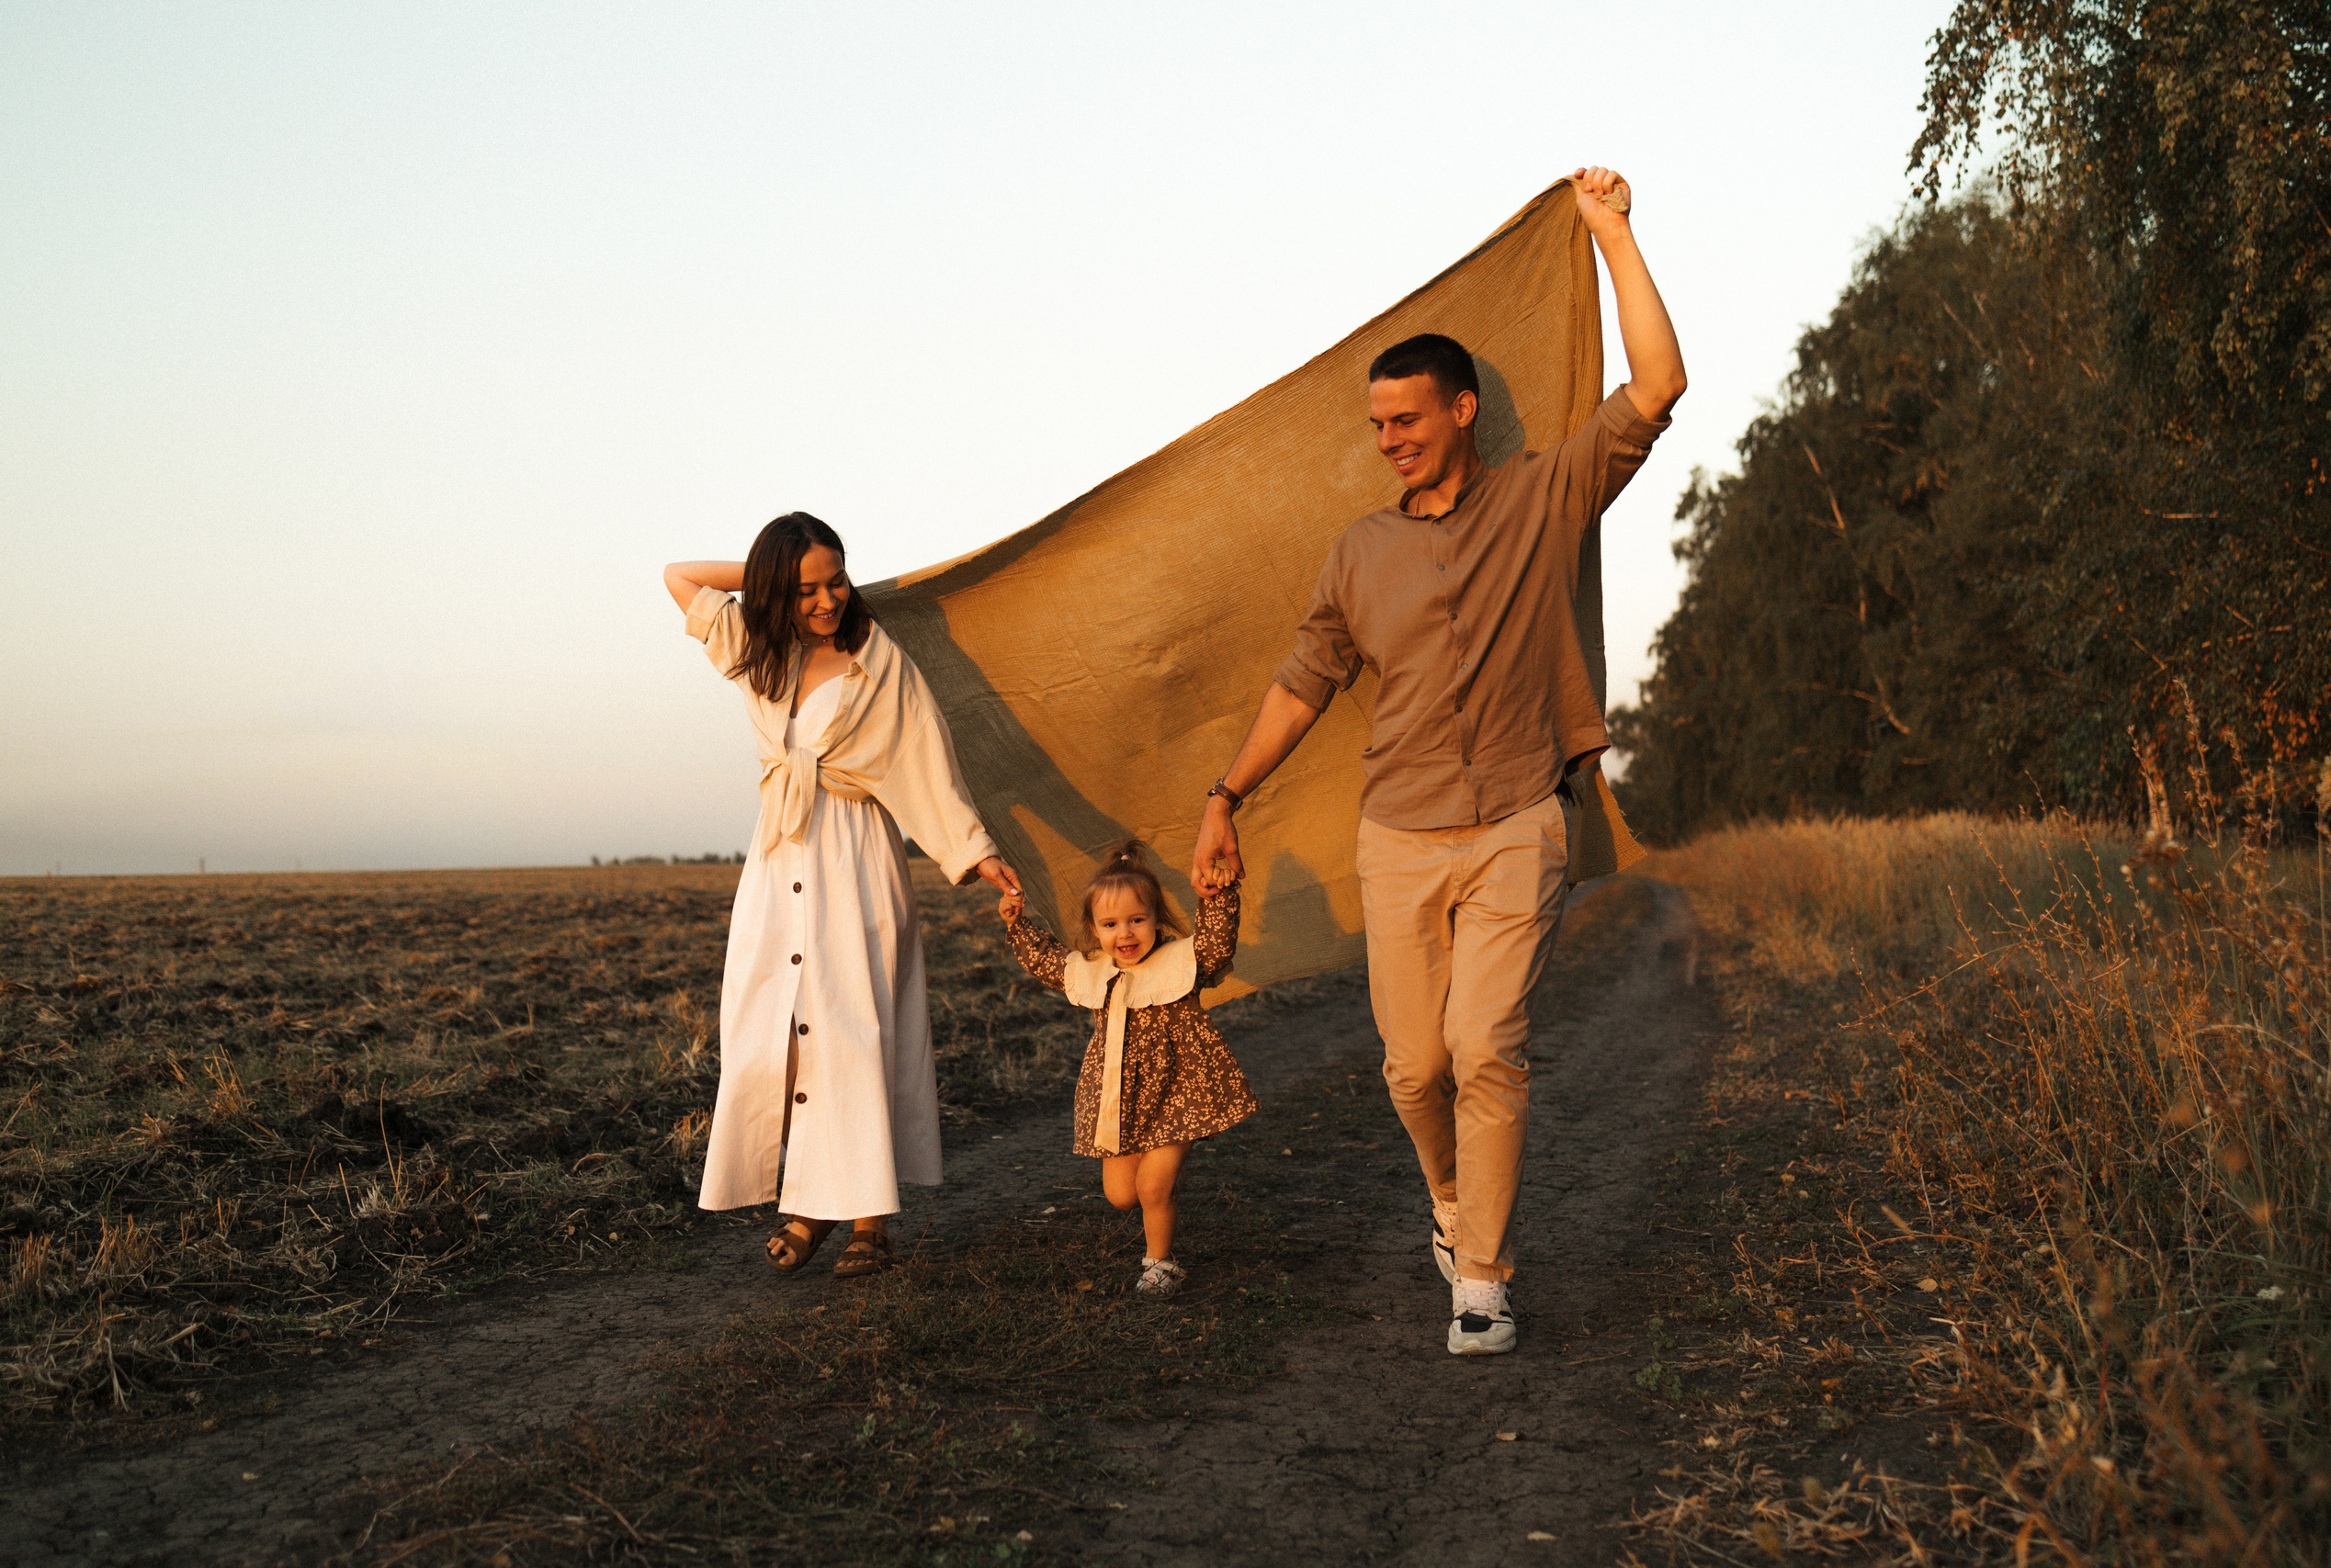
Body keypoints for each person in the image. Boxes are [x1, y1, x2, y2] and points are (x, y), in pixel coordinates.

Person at [1189, 166, 1686, 1355]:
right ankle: (1454, 1207)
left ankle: (1484, 1280)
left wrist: (1612, 234)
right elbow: (1303, 683)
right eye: (1376, 426)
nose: (1388, 442)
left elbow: (1660, 386)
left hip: (1520, 816)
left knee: (1488, 1047)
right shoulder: (1357, 553)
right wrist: (1224, 795)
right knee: (1414, 1067)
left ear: (1462, 408)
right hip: (1398, 834)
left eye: (1405, 419)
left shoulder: (1545, 495)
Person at [665, 513, 1022, 1279]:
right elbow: (679, 577)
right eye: (806, 589)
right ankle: (812, 1200)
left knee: (854, 1030)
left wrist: (975, 852)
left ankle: (866, 1220)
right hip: (775, 861)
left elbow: (927, 752)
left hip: (855, 855)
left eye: (837, 579)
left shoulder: (875, 659)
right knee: (778, 1032)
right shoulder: (759, 652)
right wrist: (765, 577)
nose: (828, 600)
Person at [997, 840, 1257, 1297]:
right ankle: (1162, 1189)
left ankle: (1160, 1264)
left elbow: (1217, 943)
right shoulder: (1093, 969)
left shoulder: (1180, 961)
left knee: (1153, 1187)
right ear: (1094, 930)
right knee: (1122, 1195)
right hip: (1119, 1096)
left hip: (1179, 1090)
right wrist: (1019, 926)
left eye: (1138, 920)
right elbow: (1048, 962)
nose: (1126, 934)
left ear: (1157, 918)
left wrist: (1216, 899)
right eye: (1111, 924)